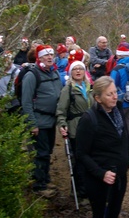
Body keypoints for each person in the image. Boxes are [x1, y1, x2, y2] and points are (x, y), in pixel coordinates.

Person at [76, 76, 129, 218]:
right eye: (109, 94)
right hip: (99, 181)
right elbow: (81, 153)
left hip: (119, 176)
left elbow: (123, 139)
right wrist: (101, 173)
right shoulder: (89, 119)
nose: (114, 97)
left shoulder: (118, 110)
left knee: (114, 212)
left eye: (115, 92)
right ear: (98, 98)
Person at [21, 44, 62, 197]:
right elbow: (26, 102)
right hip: (39, 121)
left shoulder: (54, 72)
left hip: (51, 120)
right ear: (39, 57)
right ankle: (39, 185)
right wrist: (32, 123)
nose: (50, 57)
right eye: (46, 55)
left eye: (51, 54)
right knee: (41, 153)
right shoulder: (32, 75)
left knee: (48, 151)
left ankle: (45, 178)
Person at [56, 60, 93, 204]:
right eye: (75, 69)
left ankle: (88, 188)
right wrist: (62, 123)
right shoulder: (68, 89)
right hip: (75, 128)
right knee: (80, 160)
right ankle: (80, 191)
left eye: (81, 69)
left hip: (90, 128)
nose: (78, 71)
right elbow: (61, 110)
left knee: (90, 158)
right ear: (70, 72)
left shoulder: (89, 87)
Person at [109, 45, 129, 154]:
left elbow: (111, 85)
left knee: (118, 126)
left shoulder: (118, 68)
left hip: (120, 102)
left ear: (118, 54)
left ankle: (120, 152)